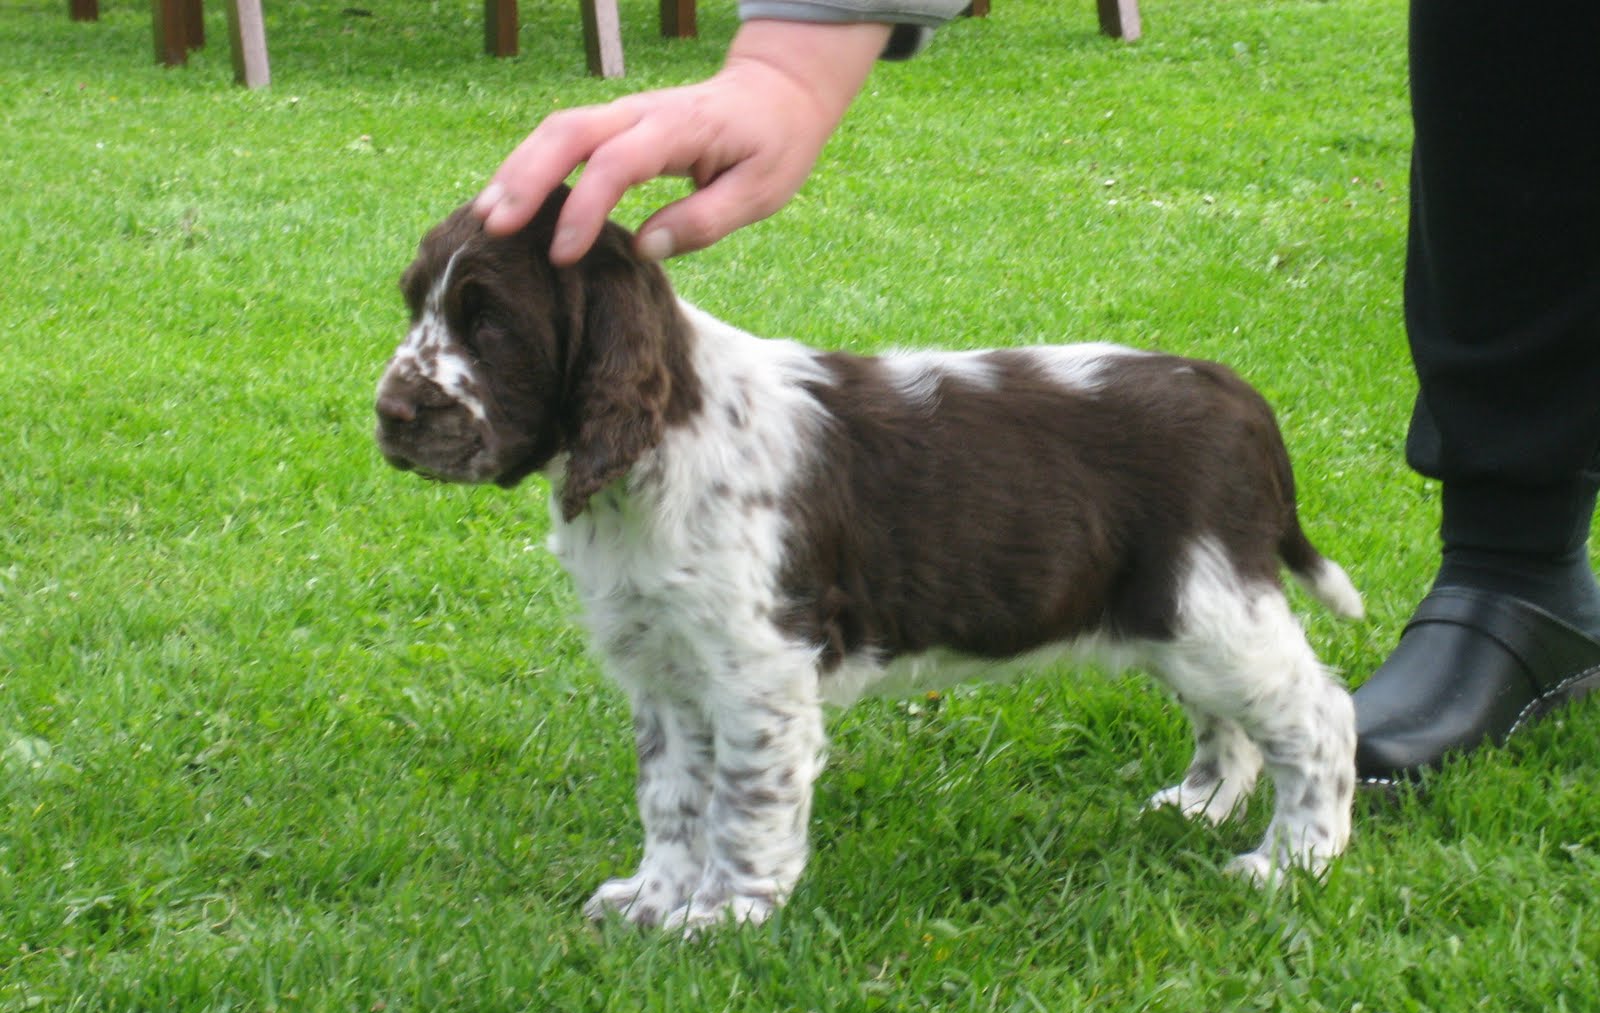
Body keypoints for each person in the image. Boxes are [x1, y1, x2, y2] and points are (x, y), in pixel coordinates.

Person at [473, 0, 1600, 786]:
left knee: (1204, 620)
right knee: (1514, 55)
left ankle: (1314, 759)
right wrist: (788, 62)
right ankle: (1515, 565)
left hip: (1150, 462)